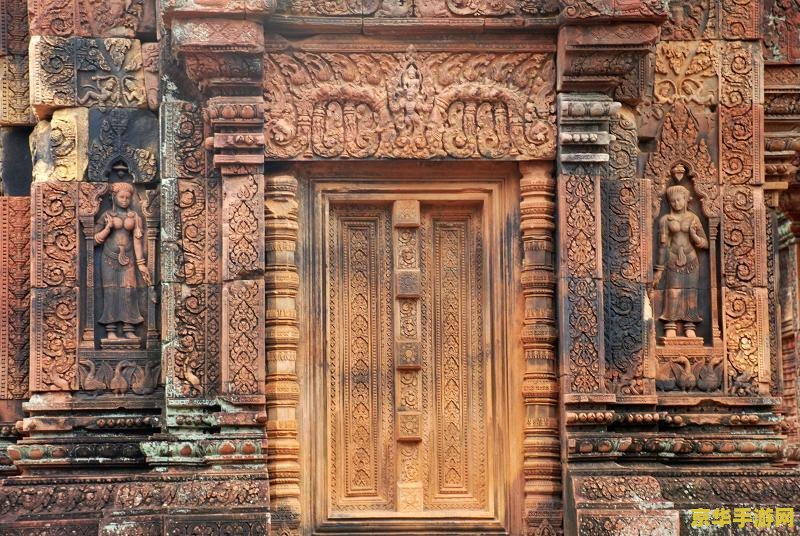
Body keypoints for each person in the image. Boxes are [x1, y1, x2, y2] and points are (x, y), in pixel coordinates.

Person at [653, 172, 708, 338]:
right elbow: (663, 246)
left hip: (691, 259)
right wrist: (659, 269)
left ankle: (689, 324)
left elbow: (706, 243)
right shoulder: (665, 220)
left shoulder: (693, 218)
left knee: (691, 292)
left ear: (686, 200)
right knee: (673, 291)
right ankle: (670, 324)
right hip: (672, 258)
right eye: (673, 201)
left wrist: (695, 236)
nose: (676, 203)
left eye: (679, 200)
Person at [94, 180, 151, 340]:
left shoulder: (135, 217)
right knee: (111, 291)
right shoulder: (107, 216)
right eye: (121, 197)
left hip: (129, 259)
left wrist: (141, 264)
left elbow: (137, 241)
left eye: (128, 197)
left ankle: (128, 328)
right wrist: (107, 228)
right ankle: (110, 329)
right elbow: (93, 239)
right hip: (109, 258)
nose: (125, 200)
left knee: (129, 291)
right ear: (113, 197)